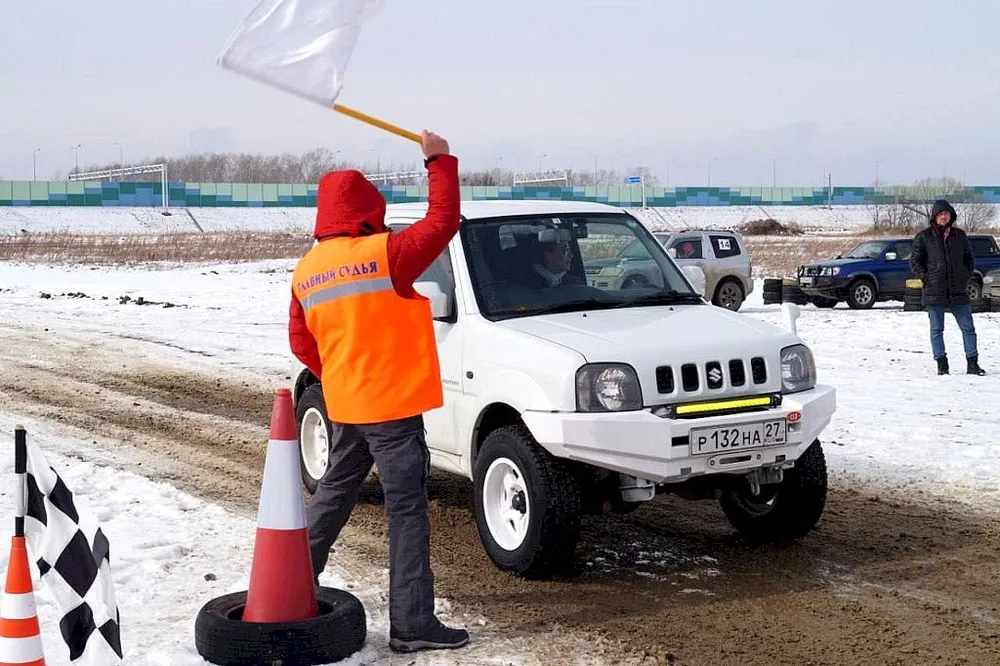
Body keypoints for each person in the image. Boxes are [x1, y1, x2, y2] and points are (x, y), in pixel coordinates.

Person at [287, 130, 469, 653]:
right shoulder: (385, 253)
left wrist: (342, 373)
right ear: (370, 207)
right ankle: (412, 626)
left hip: (346, 404)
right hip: (392, 408)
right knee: (406, 511)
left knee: (333, 495)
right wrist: (438, 160)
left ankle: (291, 590)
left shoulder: (307, 269)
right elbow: (442, 223)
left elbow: (301, 341)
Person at [909, 198, 986, 376]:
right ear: (935, 216)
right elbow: (915, 261)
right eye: (941, 214)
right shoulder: (924, 237)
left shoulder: (960, 236)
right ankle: (942, 365)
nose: (944, 217)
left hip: (958, 290)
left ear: (951, 215)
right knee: (937, 329)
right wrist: (925, 277)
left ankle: (972, 363)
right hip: (934, 290)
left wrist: (965, 276)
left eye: (947, 214)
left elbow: (969, 259)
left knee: (968, 328)